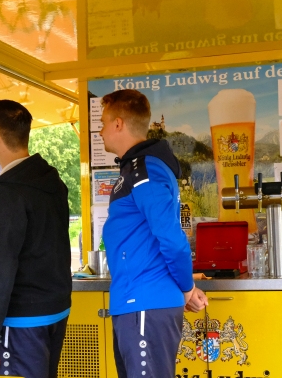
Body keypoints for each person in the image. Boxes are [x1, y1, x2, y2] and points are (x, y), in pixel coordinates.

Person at [98, 89, 208, 378]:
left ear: (118, 123)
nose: (100, 131)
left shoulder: (144, 171)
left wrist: (186, 288)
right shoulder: (134, 169)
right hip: (136, 303)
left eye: (103, 123)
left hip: (145, 303)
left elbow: (172, 238)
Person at [0, 100, 72, 378]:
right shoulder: (52, 181)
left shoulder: (7, 191)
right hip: (55, 308)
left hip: (22, 318)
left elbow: (1, 265)